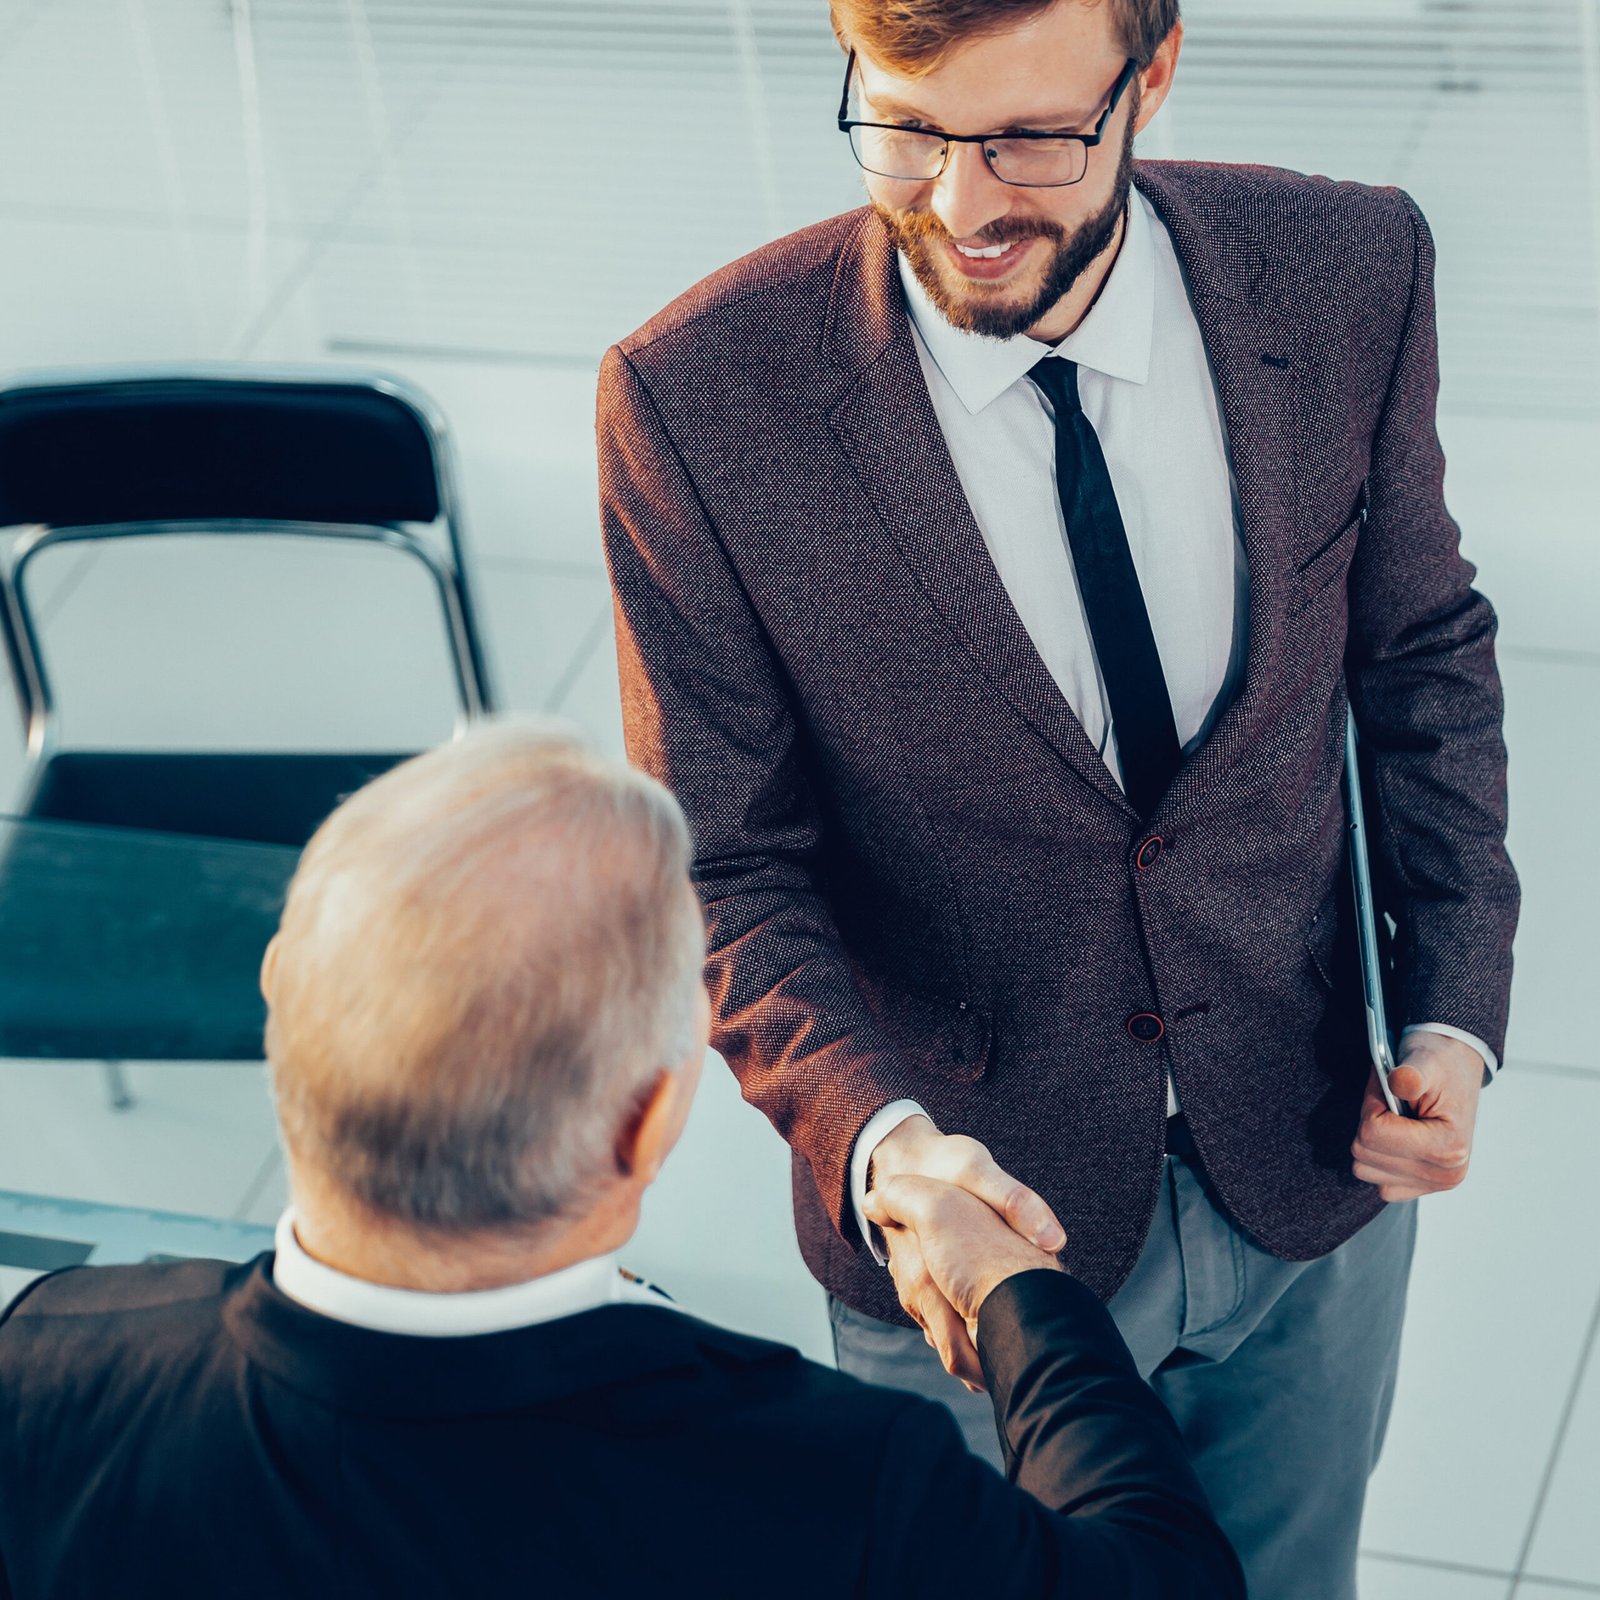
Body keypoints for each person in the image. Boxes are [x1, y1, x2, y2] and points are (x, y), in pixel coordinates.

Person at [597, 0, 1520, 1594]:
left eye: (1032, 136)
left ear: (1152, 70)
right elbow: (720, 869)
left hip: (1311, 1163)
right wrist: (886, 1153)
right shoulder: (694, 405)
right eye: (903, 123)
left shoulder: (1352, 271)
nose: (961, 206)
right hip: (969, 1243)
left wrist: (1450, 1005)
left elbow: (1421, 656)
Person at [0, 721, 1243, 1600]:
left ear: (279, 1007)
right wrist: (1014, 1295)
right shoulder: (831, 1480)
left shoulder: (46, 1369)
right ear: (649, 1122)